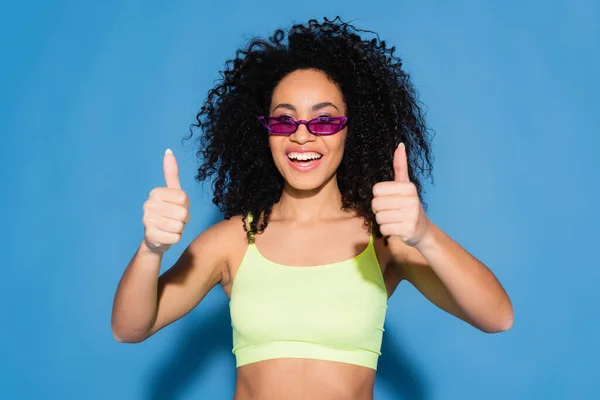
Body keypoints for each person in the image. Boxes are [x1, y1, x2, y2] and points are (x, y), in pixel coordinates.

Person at [111, 17, 514, 400]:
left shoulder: (384, 239)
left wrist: (425, 234)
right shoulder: (231, 241)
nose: (302, 136)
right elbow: (129, 329)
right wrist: (150, 249)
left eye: (323, 121)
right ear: (265, 133)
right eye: (284, 121)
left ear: (351, 131)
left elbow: (497, 317)